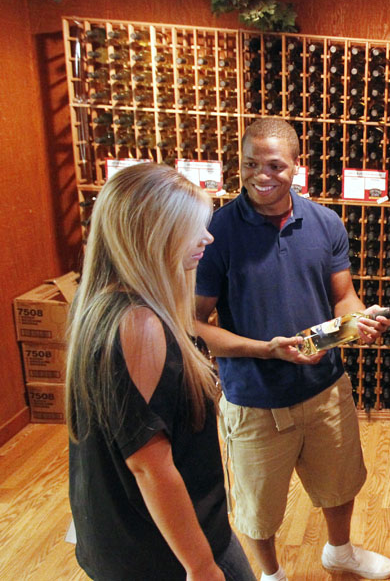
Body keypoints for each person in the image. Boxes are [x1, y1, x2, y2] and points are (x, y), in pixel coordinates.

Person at [194, 117, 390, 581]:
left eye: (274, 166)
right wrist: (267, 350)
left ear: (296, 166)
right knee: (258, 508)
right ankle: (271, 575)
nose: (261, 176)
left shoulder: (325, 223)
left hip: (325, 386)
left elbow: (343, 296)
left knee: (340, 482)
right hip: (255, 399)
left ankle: (340, 553)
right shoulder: (216, 231)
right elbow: (195, 323)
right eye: (250, 164)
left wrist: (359, 321)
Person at [66, 163, 255, 581]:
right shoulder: (139, 324)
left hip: (124, 539)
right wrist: (201, 566)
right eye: (193, 227)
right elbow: (150, 467)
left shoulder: (96, 302)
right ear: (155, 233)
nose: (207, 237)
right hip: (166, 553)